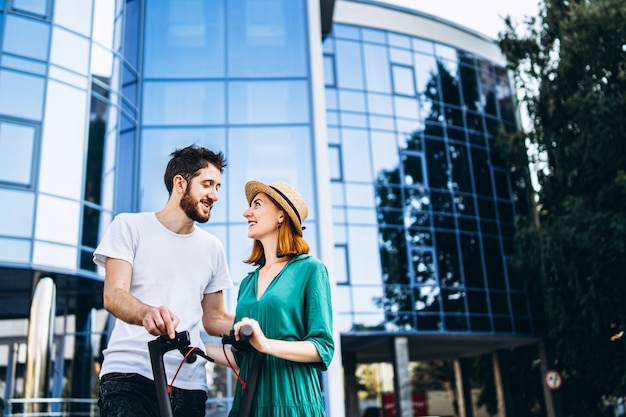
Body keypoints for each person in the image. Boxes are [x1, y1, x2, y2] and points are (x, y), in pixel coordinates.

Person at [93, 144, 235, 417]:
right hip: (129, 374)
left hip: (189, 384)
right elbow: (113, 295)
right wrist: (148, 313)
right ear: (180, 183)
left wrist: (259, 327)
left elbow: (215, 319)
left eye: (218, 187)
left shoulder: (212, 247)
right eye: (207, 184)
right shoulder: (129, 226)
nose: (215, 195)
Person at [207, 180, 334, 417]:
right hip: (249, 402)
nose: (247, 212)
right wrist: (196, 347)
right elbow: (241, 357)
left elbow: (322, 347)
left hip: (293, 399)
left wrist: (266, 344)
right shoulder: (247, 283)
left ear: (280, 215)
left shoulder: (311, 270)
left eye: (257, 204)